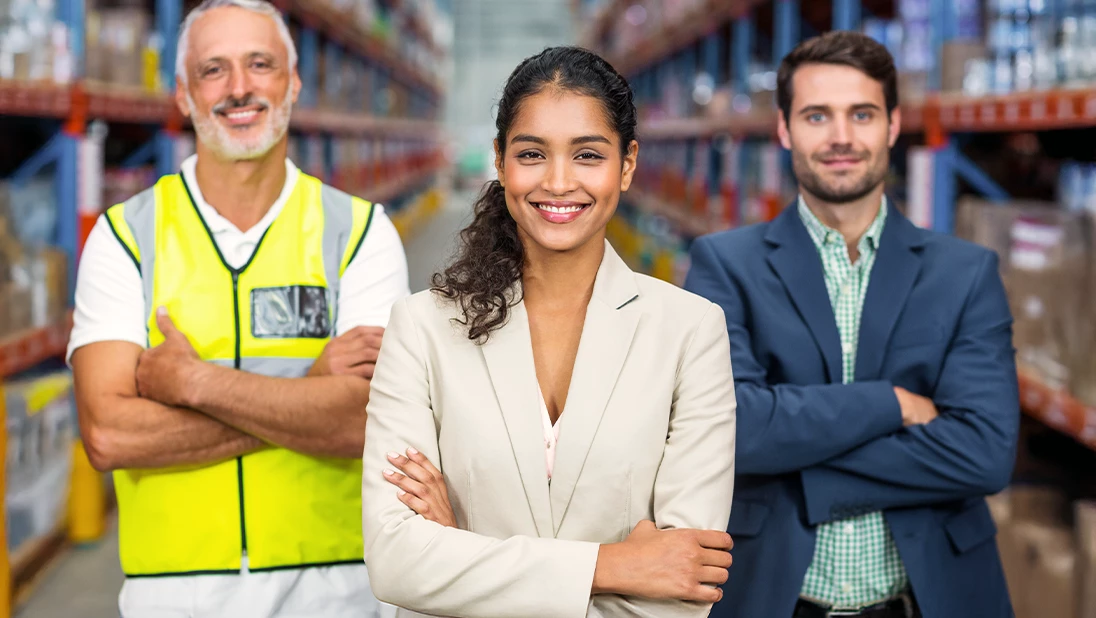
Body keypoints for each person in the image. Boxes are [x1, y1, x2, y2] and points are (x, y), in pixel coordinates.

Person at [360, 46, 737, 618]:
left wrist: (462, 550)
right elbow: (395, 561)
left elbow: (682, 587)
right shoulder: (422, 328)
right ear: (500, 160)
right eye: (532, 153)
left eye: (588, 155)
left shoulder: (690, 332)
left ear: (627, 164)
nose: (559, 182)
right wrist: (616, 566)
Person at [67, 1, 410, 616]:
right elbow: (109, 433)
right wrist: (306, 392)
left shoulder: (359, 234)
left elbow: (362, 422)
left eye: (260, 64)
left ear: (293, 82)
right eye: (213, 70)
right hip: (174, 591)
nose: (240, 88)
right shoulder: (125, 238)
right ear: (182, 93)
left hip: (338, 586)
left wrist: (192, 382)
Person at [684, 31, 1019, 618]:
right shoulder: (724, 265)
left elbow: (983, 453)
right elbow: (734, 431)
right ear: (784, 129)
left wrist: (801, 465)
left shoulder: (965, 273)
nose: (841, 137)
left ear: (892, 125)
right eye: (817, 116)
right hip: (776, 597)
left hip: (925, 600)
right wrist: (891, 404)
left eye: (861, 114)